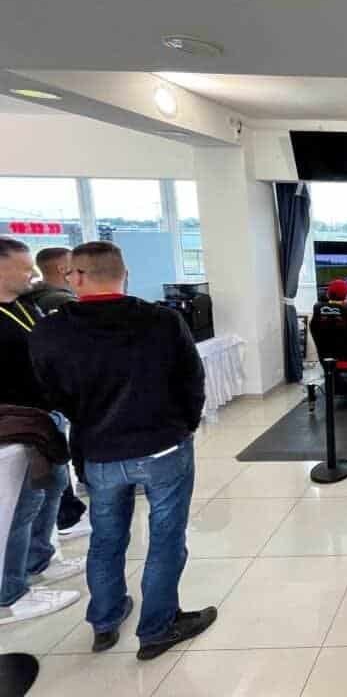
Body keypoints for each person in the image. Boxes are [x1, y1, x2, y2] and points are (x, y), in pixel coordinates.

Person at [29, 241, 217, 658]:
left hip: (98, 450)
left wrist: (88, 419)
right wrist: (183, 426)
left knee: (107, 538)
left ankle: (106, 620)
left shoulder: (51, 331)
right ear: (124, 273)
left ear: (74, 276)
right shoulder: (162, 321)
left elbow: (51, 392)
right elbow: (192, 380)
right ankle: (157, 628)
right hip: (164, 448)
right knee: (166, 539)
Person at [0, 237, 83, 625]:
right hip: (14, 424)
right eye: (23, 266)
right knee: (20, 504)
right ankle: (10, 591)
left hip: (45, 415)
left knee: (51, 489)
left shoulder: (24, 305)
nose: (33, 273)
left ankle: (38, 560)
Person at [20, 246, 90, 542]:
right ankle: (66, 518)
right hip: (39, 404)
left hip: (44, 401)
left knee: (53, 471)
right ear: (65, 268)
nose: (31, 274)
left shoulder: (28, 301)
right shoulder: (59, 303)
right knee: (51, 472)